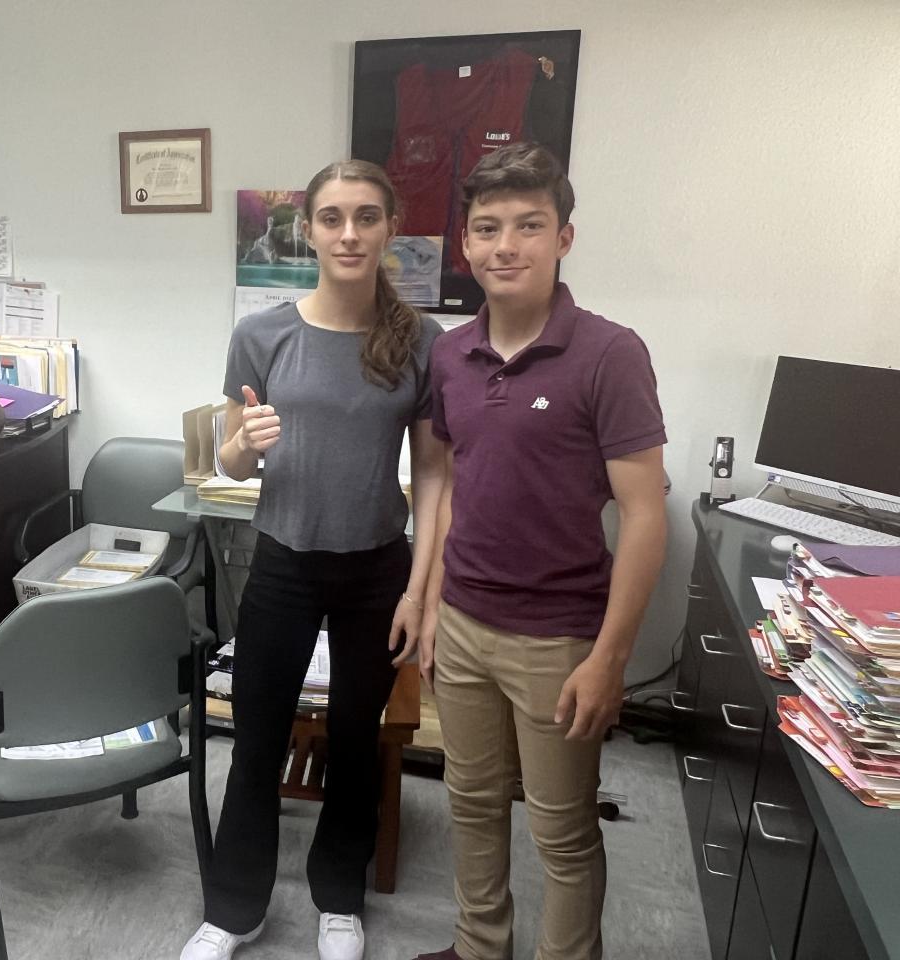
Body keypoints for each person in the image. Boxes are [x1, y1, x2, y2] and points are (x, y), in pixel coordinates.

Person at [180, 159, 447, 960]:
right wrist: (243, 445)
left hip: (377, 571)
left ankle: (339, 897)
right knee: (257, 739)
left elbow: (436, 475)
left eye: (367, 217)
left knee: (357, 739)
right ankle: (236, 910)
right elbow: (231, 463)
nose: (349, 234)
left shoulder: (419, 341)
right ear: (308, 231)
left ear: (390, 227)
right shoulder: (261, 335)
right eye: (332, 218)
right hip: (283, 566)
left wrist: (421, 592)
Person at [411, 142, 668, 960]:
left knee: (561, 831)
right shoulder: (450, 353)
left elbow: (645, 514)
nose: (506, 246)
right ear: (465, 244)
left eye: (529, 226)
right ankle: (479, 946)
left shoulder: (610, 353)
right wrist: (431, 605)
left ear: (564, 238)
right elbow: (450, 484)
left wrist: (610, 659)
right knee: (471, 803)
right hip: (464, 625)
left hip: (558, 639)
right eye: (488, 228)